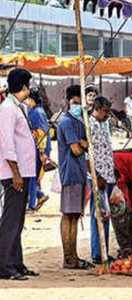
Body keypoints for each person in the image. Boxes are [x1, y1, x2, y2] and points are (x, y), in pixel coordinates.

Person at [0, 68, 38, 280]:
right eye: (29, 85)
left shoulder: (18, 106)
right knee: (11, 219)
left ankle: (16, 262)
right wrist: (15, 173)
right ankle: (4, 266)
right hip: (13, 172)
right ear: (24, 86)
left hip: (23, 171)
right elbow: (6, 143)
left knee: (18, 219)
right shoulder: (7, 108)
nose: (30, 88)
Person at [57, 85, 91, 270]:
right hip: (70, 173)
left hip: (79, 173)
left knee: (74, 216)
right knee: (68, 216)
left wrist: (84, 143)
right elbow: (76, 149)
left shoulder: (79, 121)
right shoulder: (67, 122)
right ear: (70, 101)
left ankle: (73, 255)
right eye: (75, 102)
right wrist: (84, 144)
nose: (78, 105)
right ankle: (68, 256)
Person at [88, 96, 115, 264]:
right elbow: (87, 155)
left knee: (106, 215)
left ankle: (104, 250)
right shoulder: (89, 124)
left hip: (109, 175)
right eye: (105, 111)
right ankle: (97, 253)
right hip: (98, 177)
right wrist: (97, 176)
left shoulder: (105, 124)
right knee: (97, 215)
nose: (107, 115)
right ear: (96, 109)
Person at [26, 88, 52, 211]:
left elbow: (42, 133)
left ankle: (33, 202)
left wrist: (43, 152)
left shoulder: (37, 112)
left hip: (38, 148)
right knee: (33, 176)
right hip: (34, 148)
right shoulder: (35, 110)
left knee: (32, 176)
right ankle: (38, 196)